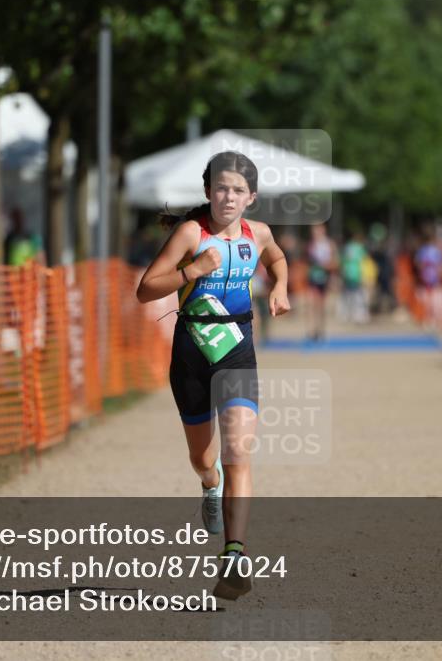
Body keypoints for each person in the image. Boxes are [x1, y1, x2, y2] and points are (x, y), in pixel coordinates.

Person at [136, 151, 290, 600]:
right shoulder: (190, 233)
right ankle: (209, 486)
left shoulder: (257, 233)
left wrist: (279, 285)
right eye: (221, 188)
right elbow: (146, 289)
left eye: (238, 190)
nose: (228, 196)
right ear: (208, 192)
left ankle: (235, 555)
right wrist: (192, 270)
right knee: (205, 460)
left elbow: (276, 257)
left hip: (237, 350)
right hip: (191, 353)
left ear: (251, 198)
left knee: (238, 453)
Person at [305, 223, 338, 341]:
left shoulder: (329, 244)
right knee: (310, 304)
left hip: (324, 278)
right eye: (314, 231)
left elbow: (335, 262)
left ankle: (321, 330)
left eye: (317, 230)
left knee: (321, 306)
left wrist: (328, 270)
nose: (315, 233)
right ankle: (312, 330)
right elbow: (308, 262)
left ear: (323, 230)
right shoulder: (311, 244)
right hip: (313, 278)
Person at [341, 229, 369, 324]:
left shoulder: (348, 247)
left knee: (350, 295)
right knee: (356, 295)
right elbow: (364, 261)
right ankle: (356, 315)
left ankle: (349, 314)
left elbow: (344, 261)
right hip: (355, 274)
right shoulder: (359, 247)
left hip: (351, 274)